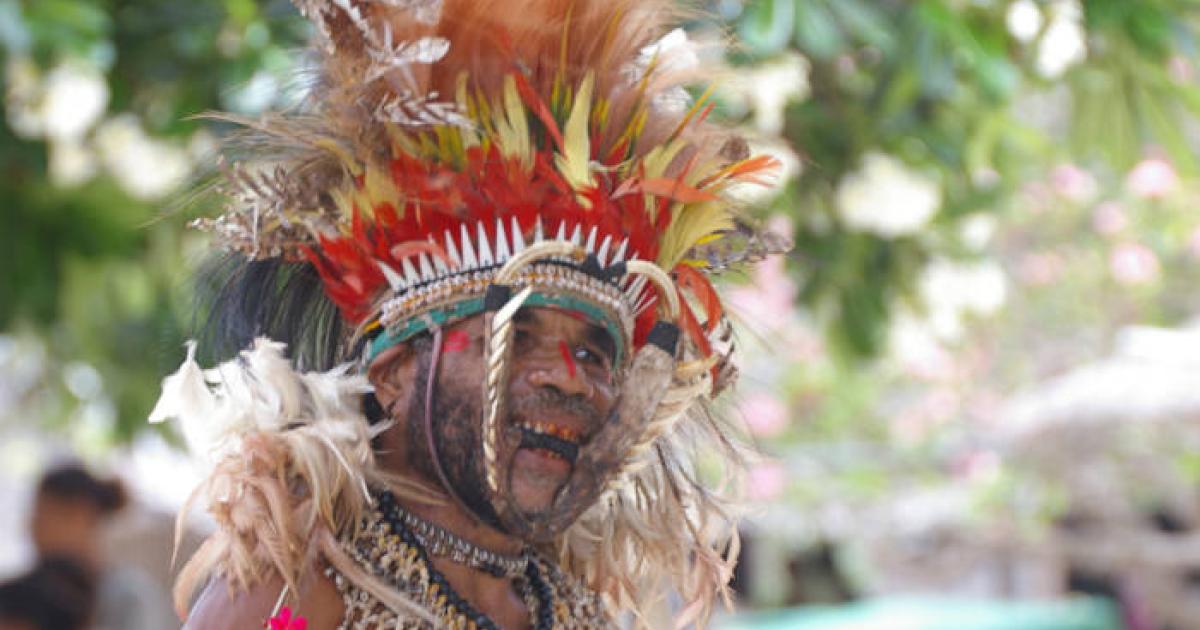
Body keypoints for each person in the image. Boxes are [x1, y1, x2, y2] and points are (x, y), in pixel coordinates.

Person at [150, 0, 789, 627]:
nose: (569, 378)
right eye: (517, 333)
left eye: (593, 353)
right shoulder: (297, 597)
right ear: (393, 373)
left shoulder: (578, 614)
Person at [20, 464, 176, 630]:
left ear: (81, 515)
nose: (33, 529)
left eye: (43, 517)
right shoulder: (28, 594)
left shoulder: (128, 596)